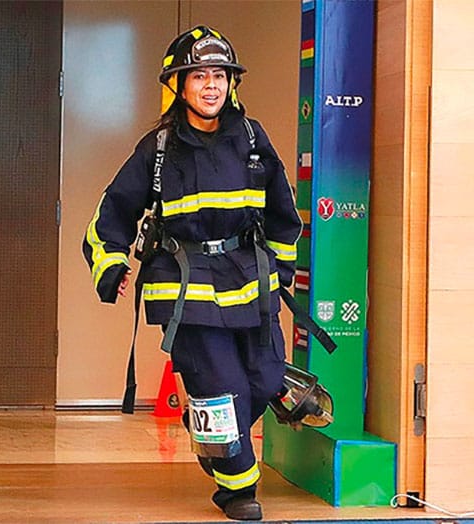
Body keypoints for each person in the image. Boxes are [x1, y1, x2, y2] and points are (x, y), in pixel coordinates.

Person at [82, 25, 301, 521]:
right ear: (178, 85)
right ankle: (237, 489)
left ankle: (207, 422)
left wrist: (282, 264)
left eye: (220, 75)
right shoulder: (158, 148)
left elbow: (282, 208)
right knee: (223, 390)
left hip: (250, 281)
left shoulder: (251, 137)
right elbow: (110, 215)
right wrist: (111, 263)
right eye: (198, 75)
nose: (210, 85)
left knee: (265, 381)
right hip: (185, 288)